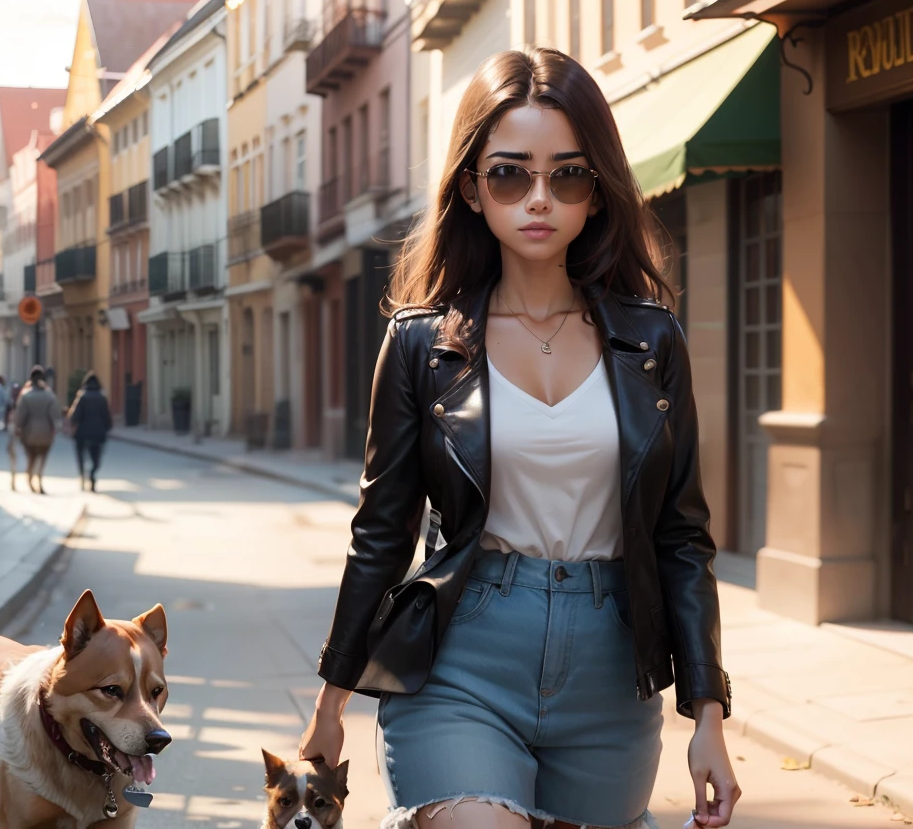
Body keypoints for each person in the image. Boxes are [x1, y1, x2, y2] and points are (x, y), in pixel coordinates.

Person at [297, 48, 739, 829]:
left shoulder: (652, 343)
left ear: (597, 192)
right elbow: (382, 528)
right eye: (510, 174)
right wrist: (332, 697)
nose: (539, 199)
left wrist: (707, 709)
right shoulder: (419, 345)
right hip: (464, 655)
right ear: (471, 187)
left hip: (611, 669)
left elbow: (681, 534)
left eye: (566, 175)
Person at [11, 365, 58, 494]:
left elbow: (20, 416)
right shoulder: (50, 396)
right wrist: (56, 428)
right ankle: (39, 478)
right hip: (46, 432)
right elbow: (55, 416)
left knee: (31, 457)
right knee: (42, 457)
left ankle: (30, 478)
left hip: (29, 432)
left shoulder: (25, 395)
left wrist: (18, 428)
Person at [66, 373, 113, 492]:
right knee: (96, 457)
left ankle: (82, 475)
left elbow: (75, 416)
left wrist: (72, 424)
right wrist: (107, 427)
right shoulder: (102, 397)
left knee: (81, 455)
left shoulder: (82, 396)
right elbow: (106, 416)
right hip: (98, 432)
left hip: (82, 433)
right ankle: (92, 473)